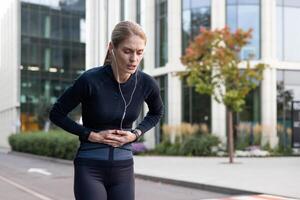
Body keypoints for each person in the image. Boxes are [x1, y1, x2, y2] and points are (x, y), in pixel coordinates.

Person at [49, 20, 163, 200]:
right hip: (90, 168)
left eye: (139, 52)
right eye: (127, 51)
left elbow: (156, 112)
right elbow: (56, 113)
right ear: (112, 48)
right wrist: (90, 135)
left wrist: (135, 134)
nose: (134, 59)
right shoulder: (90, 80)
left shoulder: (146, 84)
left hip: (124, 170)